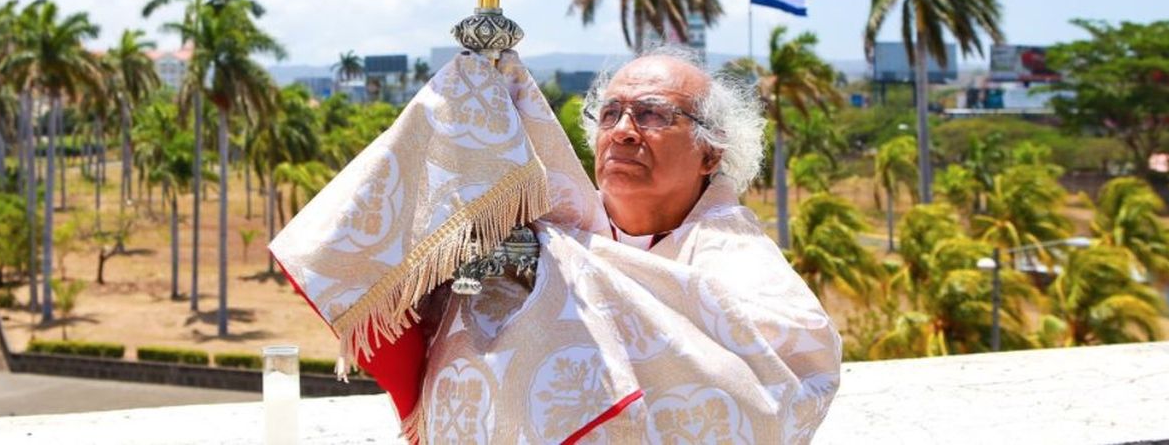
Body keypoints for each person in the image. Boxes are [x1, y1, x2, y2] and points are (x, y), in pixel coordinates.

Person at [271, 48, 841, 444]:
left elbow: (792, 381)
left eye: (652, 115)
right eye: (611, 113)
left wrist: (571, 282)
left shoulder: (738, 258)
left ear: (711, 154)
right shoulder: (553, 235)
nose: (622, 130)